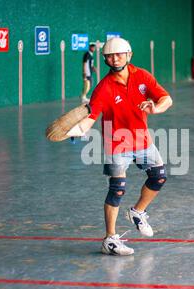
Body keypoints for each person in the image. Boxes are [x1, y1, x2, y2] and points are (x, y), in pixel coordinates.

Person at [67, 37, 173, 256]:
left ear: (129, 55)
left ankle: (137, 212)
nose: (114, 59)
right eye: (109, 56)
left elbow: (166, 99)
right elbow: (91, 117)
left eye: (119, 55)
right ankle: (110, 240)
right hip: (116, 142)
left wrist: (156, 108)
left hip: (141, 139)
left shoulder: (142, 76)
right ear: (105, 59)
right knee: (117, 189)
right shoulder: (103, 88)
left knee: (159, 176)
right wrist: (78, 129)